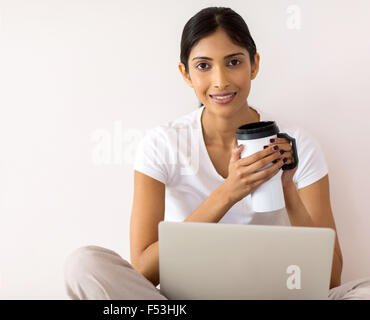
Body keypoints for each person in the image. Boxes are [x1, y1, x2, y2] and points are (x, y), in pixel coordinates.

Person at [64, 6, 370, 300]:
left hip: (273, 294)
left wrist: (287, 188)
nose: (220, 80)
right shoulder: (163, 144)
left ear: (255, 64)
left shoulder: (297, 144)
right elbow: (143, 272)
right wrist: (228, 192)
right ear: (185, 74)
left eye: (234, 62)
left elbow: (330, 279)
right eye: (203, 66)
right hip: (185, 300)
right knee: (85, 265)